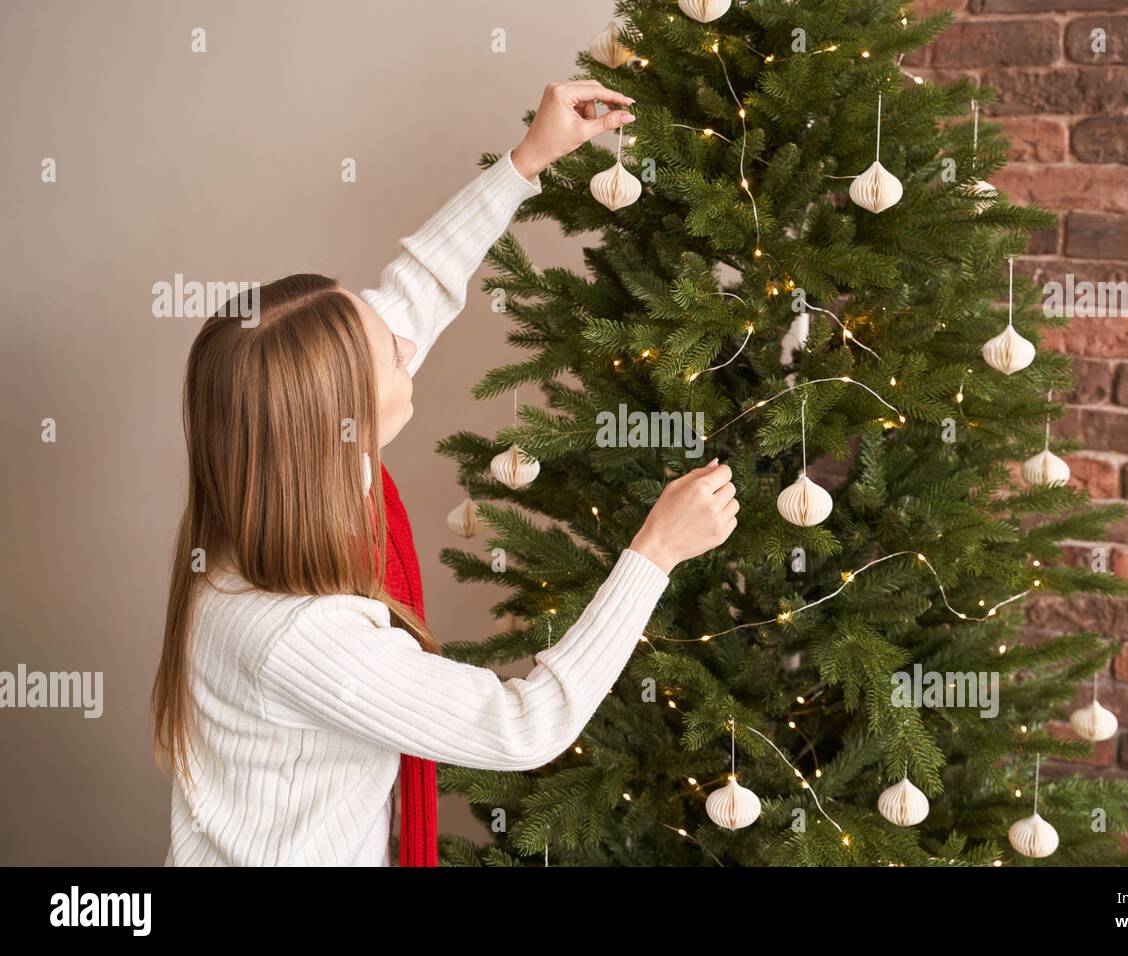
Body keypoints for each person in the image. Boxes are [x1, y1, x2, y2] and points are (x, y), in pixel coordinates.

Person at [153, 82, 739, 866]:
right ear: (338, 422)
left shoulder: (271, 487)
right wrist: (653, 554)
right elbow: (523, 725)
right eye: (386, 352)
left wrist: (529, 160)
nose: (406, 342)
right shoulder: (297, 633)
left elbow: (416, 291)